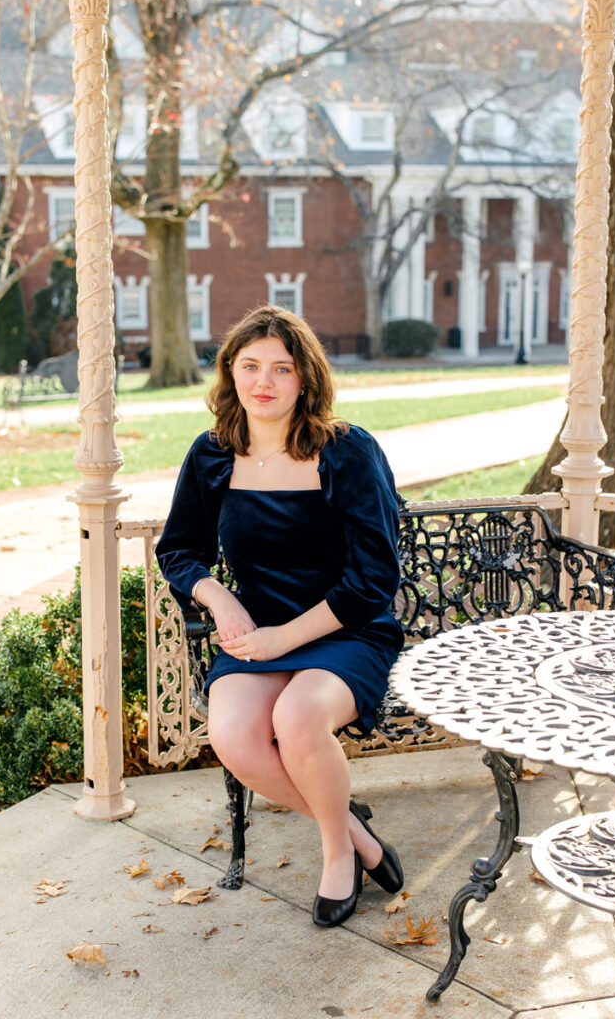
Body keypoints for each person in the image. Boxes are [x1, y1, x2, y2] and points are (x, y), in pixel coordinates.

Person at [156, 305, 405, 927]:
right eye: (250, 366)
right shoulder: (212, 454)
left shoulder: (346, 452)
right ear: (230, 373)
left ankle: (336, 856)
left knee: (298, 718)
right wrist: (220, 596)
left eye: (281, 369)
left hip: (347, 628)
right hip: (258, 628)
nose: (263, 381)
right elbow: (179, 550)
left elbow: (375, 578)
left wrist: (283, 639)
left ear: (305, 379)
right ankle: (357, 833)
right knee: (234, 736)